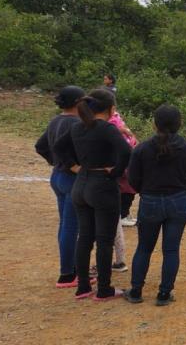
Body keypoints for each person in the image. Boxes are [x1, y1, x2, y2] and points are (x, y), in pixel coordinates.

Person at [53, 89, 131, 301]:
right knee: (104, 240)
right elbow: (126, 151)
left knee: (85, 237)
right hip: (102, 186)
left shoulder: (78, 126)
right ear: (111, 109)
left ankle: (83, 287)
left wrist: (74, 166)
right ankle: (104, 289)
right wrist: (115, 172)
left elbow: (58, 147)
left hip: (81, 184)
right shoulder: (106, 128)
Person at [124, 105, 186, 306]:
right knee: (171, 250)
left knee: (144, 248)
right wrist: (181, 191)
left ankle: (136, 291)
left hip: (150, 200)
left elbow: (132, 178)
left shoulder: (142, 149)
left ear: (154, 124)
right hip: (178, 201)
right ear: (179, 124)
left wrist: (145, 191)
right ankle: (164, 294)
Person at [35, 86, 91, 288]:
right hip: (71, 179)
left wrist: (55, 161)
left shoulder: (55, 121)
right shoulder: (76, 123)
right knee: (71, 226)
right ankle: (67, 274)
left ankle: (72, 269)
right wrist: (73, 166)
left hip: (57, 177)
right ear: (77, 103)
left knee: (66, 224)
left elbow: (40, 146)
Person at [108, 107, 138, 273]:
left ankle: (123, 214)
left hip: (119, 171)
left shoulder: (114, 120)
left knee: (128, 191)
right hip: (115, 174)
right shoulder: (109, 126)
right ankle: (123, 214)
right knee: (110, 227)